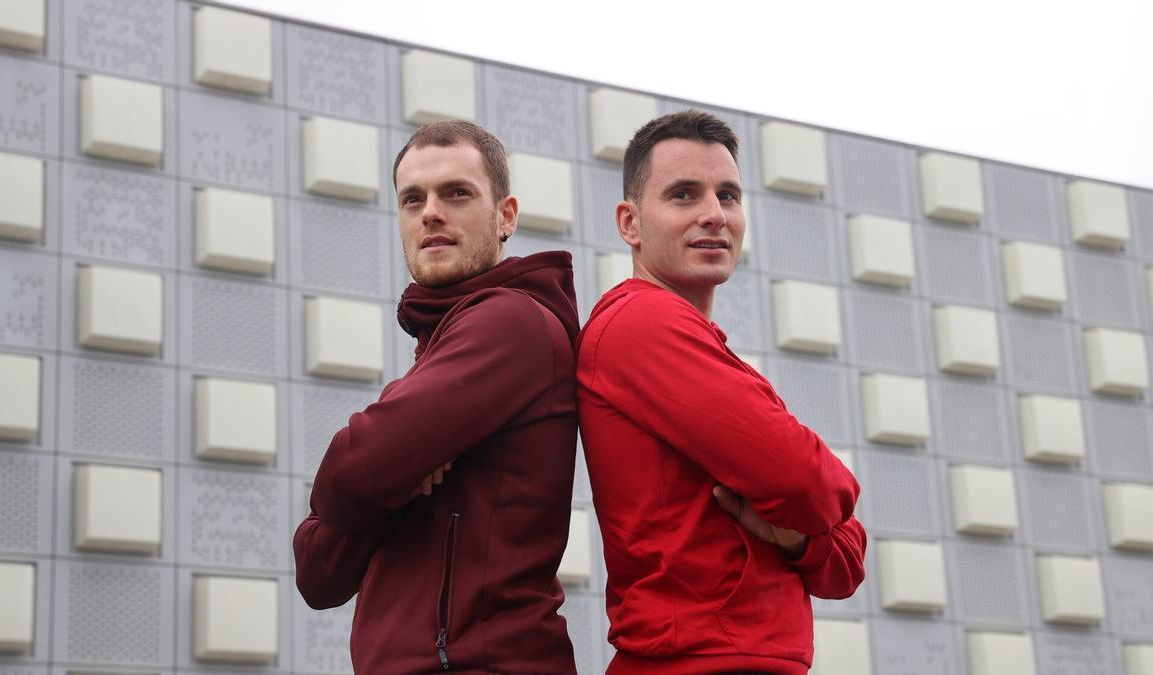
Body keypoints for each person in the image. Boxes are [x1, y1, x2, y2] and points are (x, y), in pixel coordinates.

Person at [576, 110, 866, 675]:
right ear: (630, 223)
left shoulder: (704, 347)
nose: (714, 215)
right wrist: (810, 517)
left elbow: (845, 569)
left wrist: (796, 537)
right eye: (684, 195)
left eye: (728, 196)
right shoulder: (643, 324)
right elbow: (810, 483)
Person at [294, 120, 579, 674]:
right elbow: (317, 573)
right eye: (411, 199)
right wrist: (394, 479)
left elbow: (351, 473)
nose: (430, 211)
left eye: (456, 192)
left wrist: (378, 474)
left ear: (506, 216)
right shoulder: (434, 354)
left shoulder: (510, 321)